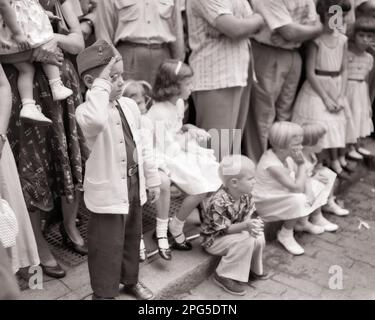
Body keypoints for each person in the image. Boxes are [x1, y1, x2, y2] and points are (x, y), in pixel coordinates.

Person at [1, 0, 86, 279]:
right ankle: (37, 246)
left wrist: (51, 39)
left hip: (61, 90)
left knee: (66, 160)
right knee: (33, 167)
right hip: (24, 96)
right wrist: (34, 50)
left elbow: (78, 42)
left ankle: (70, 226)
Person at [76, 40, 161, 300]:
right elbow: (97, 120)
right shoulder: (85, 112)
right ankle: (103, 294)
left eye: (121, 75)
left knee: (132, 237)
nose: (120, 82)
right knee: (106, 245)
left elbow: (143, 144)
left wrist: (153, 177)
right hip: (108, 190)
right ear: (92, 82)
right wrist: (101, 86)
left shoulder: (130, 106)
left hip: (133, 184)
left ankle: (130, 280)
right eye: (112, 77)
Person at [146, 60, 222, 251]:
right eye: (188, 84)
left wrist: (191, 128)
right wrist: (189, 136)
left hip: (178, 148)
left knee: (214, 171)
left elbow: (177, 129)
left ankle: (187, 218)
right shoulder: (159, 111)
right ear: (173, 86)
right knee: (200, 188)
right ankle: (176, 224)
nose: (192, 87)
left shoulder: (179, 103)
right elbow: (167, 147)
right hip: (164, 155)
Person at [187, 0, 264, 161]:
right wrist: (250, 22)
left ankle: (226, 185)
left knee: (230, 150)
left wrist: (249, 23)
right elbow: (235, 29)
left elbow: (259, 25)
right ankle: (213, 186)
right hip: (216, 75)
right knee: (215, 150)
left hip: (239, 73)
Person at [249, 0, 323, 161]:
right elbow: (290, 32)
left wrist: (312, 30)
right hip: (268, 51)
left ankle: (282, 161)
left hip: (293, 53)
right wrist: (309, 31)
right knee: (263, 115)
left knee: (285, 114)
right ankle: (260, 165)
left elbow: (314, 25)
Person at [293, 0, 352, 177]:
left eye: (340, 14)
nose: (335, 18)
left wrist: (340, 96)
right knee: (318, 124)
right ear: (322, 15)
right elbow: (310, 72)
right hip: (317, 87)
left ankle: (334, 162)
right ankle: (315, 164)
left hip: (336, 86)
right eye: (330, 14)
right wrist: (326, 98)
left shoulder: (343, 39)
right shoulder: (315, 40)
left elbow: (345, 69)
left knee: (336, 124)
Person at [200, 155, 267, 296]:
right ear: (234, 183)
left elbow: (249, 215)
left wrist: (254, 224)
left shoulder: (246, 195)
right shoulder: (218, 202)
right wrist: (246, 226)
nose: (255, 181)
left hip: (235, 233)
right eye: (251, 179)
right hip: (214, 240)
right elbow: (226, 230)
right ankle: (224, 275)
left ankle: (253, 268)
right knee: (246, 240)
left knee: (258, 236)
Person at [254, 122, 323, 255]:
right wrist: (302, 165)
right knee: (299, 198)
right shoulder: (272, 164)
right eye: (296, 145)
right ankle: (286, 234)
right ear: (281, 147)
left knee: (314, 185)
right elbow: (296, 188)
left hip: (280, 194)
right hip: (265, 202)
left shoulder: (287, 156)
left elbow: (304, 179)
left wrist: (309, 191)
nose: (301, 147)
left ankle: (303, 222)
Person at [0, 0, 73, 125]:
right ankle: (56, 84)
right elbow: (4, 5)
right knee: (45, 42)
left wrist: (42, 13)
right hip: (15, 33)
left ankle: (28, 105)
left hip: (17, 29)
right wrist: (18, 33)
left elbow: (23, 6)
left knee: (27, 70)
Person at [123, 80, 173, 261]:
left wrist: (160, 168)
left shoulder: (145, 122)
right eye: (132, 103)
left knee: (164, 182)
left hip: (147, 167)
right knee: (132, 188)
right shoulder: (120, 123)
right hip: (129, 171)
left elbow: (150, 151)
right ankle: (137, 237)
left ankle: (161, 232)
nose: (138, 107)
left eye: (140, 103)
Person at [94, 0, 185, 86]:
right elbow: (103, 37)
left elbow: (177, 31)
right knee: (129, 99)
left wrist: (178, 65)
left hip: (163, 56)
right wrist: (112, 68)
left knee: (165, 101)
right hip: (127, 58)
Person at [297, 123, 349, 235]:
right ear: (310, 143)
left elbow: (312, 169)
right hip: (300, 186)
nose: (324, 143)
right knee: (316, 183)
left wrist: (316, 172)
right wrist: (313, 177)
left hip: (307, 180)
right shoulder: (300, 158)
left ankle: (328, 203)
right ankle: (314, 217)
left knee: (327, 174)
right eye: (321, 140)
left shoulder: (311, 154)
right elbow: (299, 177)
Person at [346, 17, 375, 158]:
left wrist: (368, 102)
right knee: (349, 117)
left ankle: (357, 145)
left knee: (359, 117)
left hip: (361, 91)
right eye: (361, 35)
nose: (365, 39)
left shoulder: (369, 58)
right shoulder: (346, 53)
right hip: (348, 90)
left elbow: (367, 80)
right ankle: (348, 148)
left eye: (369, 36)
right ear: (354, 35)